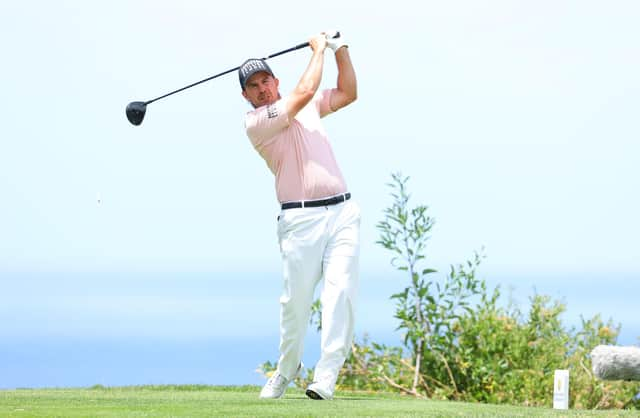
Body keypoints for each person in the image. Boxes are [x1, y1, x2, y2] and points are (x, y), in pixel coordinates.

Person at [239, 31, 360, 400]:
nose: (261, 89)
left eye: (265, 81)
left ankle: (326, 378)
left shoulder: (302, 103)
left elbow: (348, 92)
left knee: (339, 295)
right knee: (296, 304)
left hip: (342, 212)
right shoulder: (257, 122)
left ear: (276, 81)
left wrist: (341, 49)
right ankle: (286, 369)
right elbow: (305, 91)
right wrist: (317, 49)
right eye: (253, 86)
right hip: (300, 221)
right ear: (246, 96)